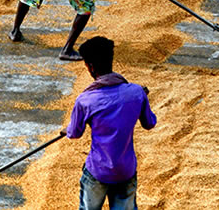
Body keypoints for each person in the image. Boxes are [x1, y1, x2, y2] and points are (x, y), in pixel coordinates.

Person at [64, 36, 157, 210]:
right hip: (125, 171)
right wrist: (141, 99)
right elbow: (149, 123)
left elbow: (74, 133)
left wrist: (67, 130)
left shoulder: (85, 100)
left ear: (90, 67)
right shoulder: (136, 92)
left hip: (98, 171)